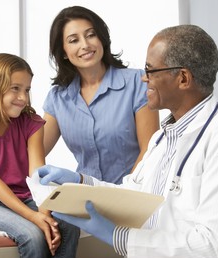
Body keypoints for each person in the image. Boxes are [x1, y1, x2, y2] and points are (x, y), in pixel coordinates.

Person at [35, 24, 218, 258]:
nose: (143, 78)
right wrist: (81, 182)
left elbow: (210, 246)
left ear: (183, 78)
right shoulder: (163, 137)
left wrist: (118, 236)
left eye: (151, 70)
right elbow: (133, 195)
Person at [0, 53, 79, 258]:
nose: (23, 98)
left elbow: (38, 175)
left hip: (27, 197)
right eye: (15, 89)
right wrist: (35, 218)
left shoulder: (31, 123)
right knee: (33, 236)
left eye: (26, 90)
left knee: (69, 226)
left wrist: (45, 215)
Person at [43, 6, 160, 184]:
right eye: (74, 40)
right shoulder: (58, 98)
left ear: (101, 39)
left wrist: (125, 195)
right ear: (64, 52)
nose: (85, 45)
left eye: (91, 35)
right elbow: (34, 152)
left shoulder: (137, 82)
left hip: (132, 197)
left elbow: (149, 151)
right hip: (84, 198)